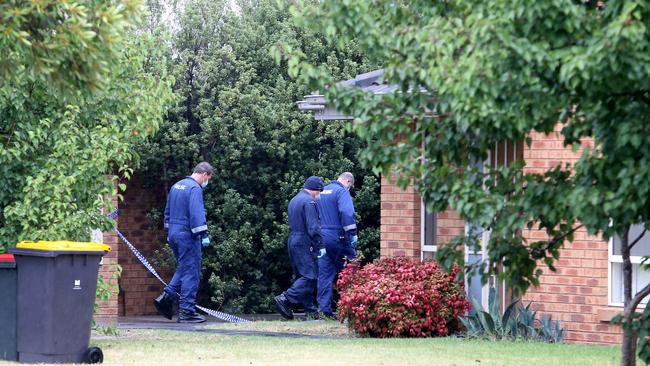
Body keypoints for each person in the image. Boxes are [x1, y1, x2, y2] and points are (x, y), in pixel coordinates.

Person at [154, 162, 213, 323]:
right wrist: (203, 234)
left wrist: (170, 231)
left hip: (174, 233)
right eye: (208, 179)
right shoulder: (195, 188)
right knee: (192, 271)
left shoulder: (176, 186)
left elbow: (167, 211)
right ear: (204, 174)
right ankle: (187, 311)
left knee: (184, 266)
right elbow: (196, 213)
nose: (206, 182)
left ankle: (166, 297)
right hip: (188, 235)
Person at [274, 176, 324, 320]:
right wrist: (320, 245)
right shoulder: (309, 201)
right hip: (304, 241)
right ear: (315, 190)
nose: (318, 195)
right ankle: (285, 299)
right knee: (310, 276)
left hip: (293, 239)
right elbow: (313, 227)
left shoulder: (294, 199)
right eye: (319, 191)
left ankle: (311, 311)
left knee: (302, 277)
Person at [317, 172, 357, 319]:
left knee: (325, 273)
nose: (349, 189)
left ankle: (324, 311)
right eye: (350, 186)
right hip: (338, 237)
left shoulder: (323, 191)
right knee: (350, 270)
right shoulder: (341, 191)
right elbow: (347, 212)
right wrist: (352, 233)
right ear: (347, 181)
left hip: (322, 237)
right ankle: (350, 310)